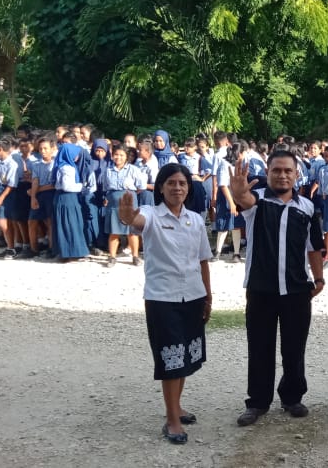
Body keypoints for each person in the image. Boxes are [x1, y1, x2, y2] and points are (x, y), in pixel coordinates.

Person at [118, 163, 213, 445]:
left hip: (193, 296)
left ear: (188, 188)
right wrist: (127, 215)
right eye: (171, 182)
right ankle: (171, 419)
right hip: (163, 298)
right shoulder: (151, 214)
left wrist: (208, 295)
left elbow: (203, 260)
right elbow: (136, 220)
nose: (177, 188)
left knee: (185, 356)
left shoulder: (195, 220)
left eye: (182, 183)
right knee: (171, 358)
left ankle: (177, 406)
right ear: (160, 187)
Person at [230, 150, 325, 427]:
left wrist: (318, 279)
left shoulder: (306, 207)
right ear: (268, 173)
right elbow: (244, 200)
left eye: (287, 171)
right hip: (261, 289)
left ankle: (292, 397)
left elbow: (314, 247)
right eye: (276, 170)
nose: (282, 175)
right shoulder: (256, 202)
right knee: (260, 347)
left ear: (297, 175)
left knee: (294, 348)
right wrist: (238, 193)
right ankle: (258, 402)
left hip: (297, 290)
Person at [100, 147, 146, 267]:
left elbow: (141, 186)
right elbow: (105, 187)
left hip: (129, 201)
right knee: (114, 231)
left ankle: (135, 256)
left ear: (127, 157)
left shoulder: (133, 169)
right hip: (113, 203)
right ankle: (112, 257)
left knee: (131, 231)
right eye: (116, 154)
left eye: (121, 155)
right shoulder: (108, 170)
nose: (118, 157)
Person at [52, 143, 91, 262]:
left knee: (63, 225)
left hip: (60, 198)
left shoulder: (59, 165)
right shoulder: (68, 167)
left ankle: (64, 252)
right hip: (68, 198)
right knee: (71, 224)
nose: (77, 156)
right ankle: (73, 252)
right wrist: (82, 186)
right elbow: (67, 186)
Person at [0, 138, 19, 258]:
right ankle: (9, 247)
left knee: (4, 222)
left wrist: (1, 198)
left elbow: (11, 184)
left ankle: (11, 247)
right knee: (2, 221)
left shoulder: (12, 164)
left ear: (0, 149)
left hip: (5, 192)